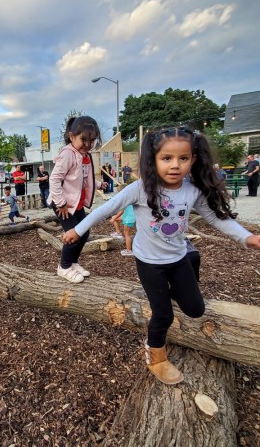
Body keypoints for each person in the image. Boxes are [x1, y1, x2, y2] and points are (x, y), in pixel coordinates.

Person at [63, 126, 260, 385]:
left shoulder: (192, 189)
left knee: (195, 309)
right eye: (167, 158)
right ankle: (155, 355)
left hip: (177, 257)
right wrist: (77, 230)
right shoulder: (141, 188)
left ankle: (181, 279)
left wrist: (247, 237)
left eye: (183, 158)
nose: (175, 165)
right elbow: (107, 208)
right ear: (153, 160)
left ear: (194, 159)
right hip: (150, 263)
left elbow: (215, 217)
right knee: (164, 315)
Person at [47, 115, 107, 283]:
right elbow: (54, 179)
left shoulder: (84, 154)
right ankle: (64, 267)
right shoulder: (68, 154)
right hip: (63, 203)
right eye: (83, 140)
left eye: (92, 140)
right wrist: (61, 203)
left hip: (76, 202)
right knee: (74, 235)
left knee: (84, 232)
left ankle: (73, 262)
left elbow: (84, 177)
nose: (88, 144)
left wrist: (99, 184)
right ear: (72, 136)